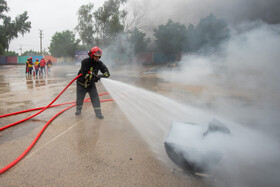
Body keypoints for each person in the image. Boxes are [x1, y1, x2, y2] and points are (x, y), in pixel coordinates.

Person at [75, 46, 110, 119]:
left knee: (95, 98)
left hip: (91, 84)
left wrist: (99, 76)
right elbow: (86, 75)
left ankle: (98, 113)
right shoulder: (84, 62)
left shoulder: (99, 63)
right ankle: (78, 110)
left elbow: (107, 73)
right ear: (91, 55)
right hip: (81, 84)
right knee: (79, 98)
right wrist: (94, 76)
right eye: (95, 56)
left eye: (98, 57)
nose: (97, 58)